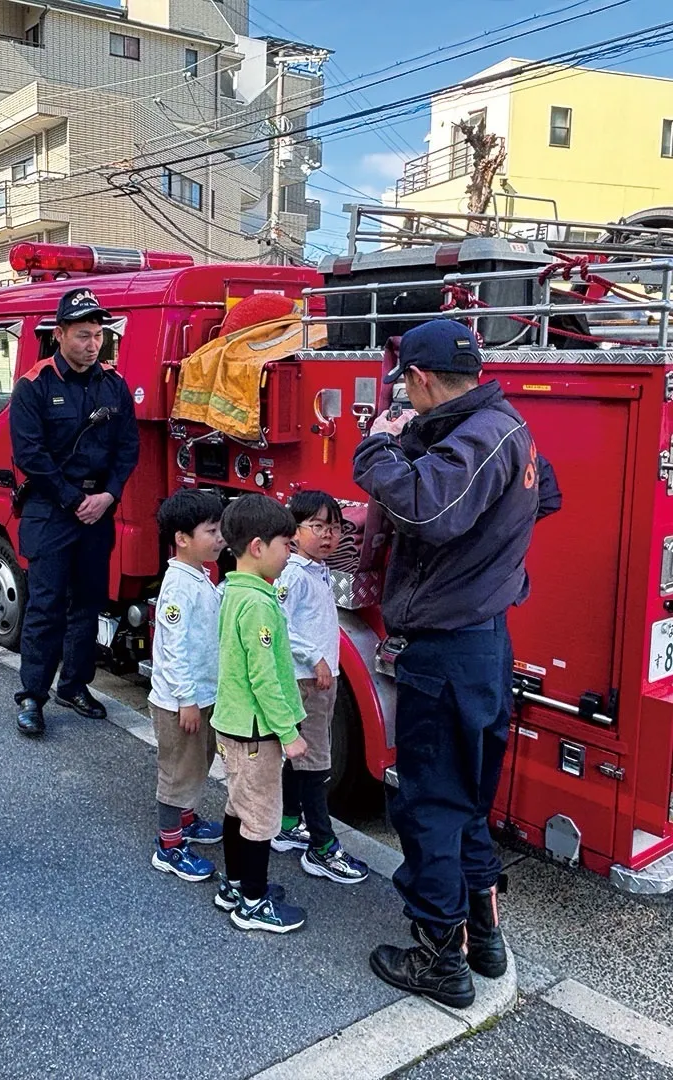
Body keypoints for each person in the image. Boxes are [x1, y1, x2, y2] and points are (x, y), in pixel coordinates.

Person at [353, 319, 561, 1008]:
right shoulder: (508, 427)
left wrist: (378, 451)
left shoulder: (477, 435)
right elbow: (546, 495)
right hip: (484, 641)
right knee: (468, 798)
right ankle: (485, 937)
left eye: (405, 389)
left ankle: (440, 958)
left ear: (418, 379)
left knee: (430, 804)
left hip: (445, 651)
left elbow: (425, 509)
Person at [9, 286, 139, 737]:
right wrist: (72, 499)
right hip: (52, 509)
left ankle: (75, 685)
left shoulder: (113, 385)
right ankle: (32, 696)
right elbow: (30, 454)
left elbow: (127, 448)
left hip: (98, 510)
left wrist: (109, 496)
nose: (92, 344)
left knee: (88, 604)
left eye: (98, 335)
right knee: (45, 606)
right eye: (83, 334)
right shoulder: (34, 384)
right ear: (60, 334)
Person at [211, 493, 310, 933]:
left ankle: (234, 884)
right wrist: (288, 731)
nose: (290, 555)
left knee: (238, 806)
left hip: (233, 724)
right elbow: (264, 677)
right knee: (260, 816)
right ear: (257, 546)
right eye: (286, 545)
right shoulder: (258, 604)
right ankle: (252, 902)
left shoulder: (231, 589)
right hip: (256, 731)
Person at [273, 491, 369, 885]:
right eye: (318, 526)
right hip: (305, 681)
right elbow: (278, 624)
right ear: (294, 532)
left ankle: (287, 823)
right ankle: (322, 847)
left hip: (319, 681)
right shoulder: (293, 574)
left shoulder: (318, 569)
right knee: (315, 764)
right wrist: (314, 656)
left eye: (335, 527)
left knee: (301, 760)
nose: (328, 535)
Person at [148, 490, 226, 883]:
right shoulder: (178, 585)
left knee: (197, 763)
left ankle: (188, 820)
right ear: (182, 538)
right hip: (181, 700)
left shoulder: (199, 576)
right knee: (177, 771)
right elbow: (174, 647)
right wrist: (186, 700)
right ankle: (170, 845)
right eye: (211, 531)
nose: (220, 537)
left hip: (200, 694)